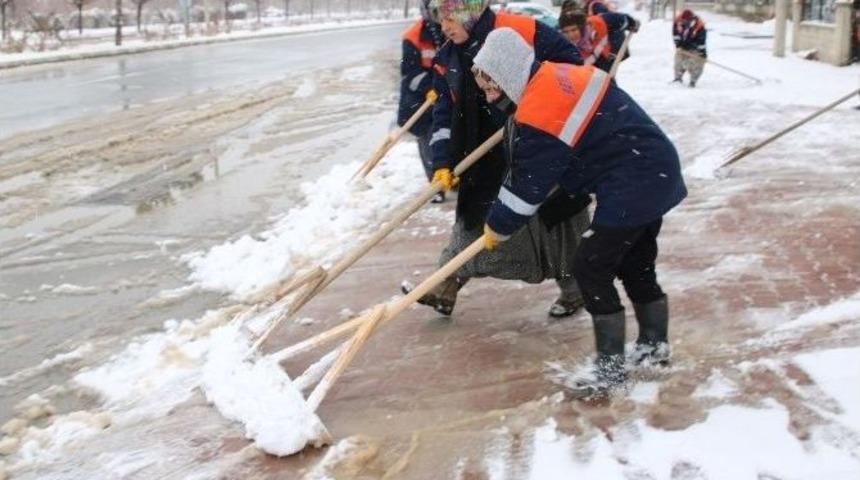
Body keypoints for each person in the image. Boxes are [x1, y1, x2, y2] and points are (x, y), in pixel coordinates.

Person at [472, 28, 687, 397]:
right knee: (635, 262)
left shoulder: (539, 108)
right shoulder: (554, 76)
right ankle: (654, 347)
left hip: (634, 181)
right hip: (653, 167)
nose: (490, 98)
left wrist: (497, 226)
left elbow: (527, 186)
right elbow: (580, 148)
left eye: (493, 88)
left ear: (509, 76)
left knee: (590, 265)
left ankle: (610, 370)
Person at [408, 0, 591, 318]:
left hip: (537, 139)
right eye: (441, 18)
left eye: (451, 18)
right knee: (474, 217)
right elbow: (444, 115)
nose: (444, 26)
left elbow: (571, 68)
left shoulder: (519, 30)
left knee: (557, 219)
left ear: (470, 13)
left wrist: (535, 104)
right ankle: (445, 284)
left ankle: (575, 289)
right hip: (481, 150)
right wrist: (441, 163)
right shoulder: (448, 57)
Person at [398, 0, 446, 202]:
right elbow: (410, 74)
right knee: (428, 142)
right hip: (419, 102)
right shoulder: (413, 37)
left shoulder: (449, 29)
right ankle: (436, 187)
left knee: (447, 138)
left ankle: (450, 175)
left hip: (445, 97)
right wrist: (432, 86)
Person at [557, 10, 639, 72]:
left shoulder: (598, 23)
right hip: (593, 60)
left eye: (574, 30)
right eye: (566, 32)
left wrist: (632, 23)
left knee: (607, 82)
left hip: (609, 52)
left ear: (581, 27)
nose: (570, 35)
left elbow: (621, 19)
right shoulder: (562, 42)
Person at [672, 9, 707, 87]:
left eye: (687, 21)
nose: (685, 22)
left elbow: (701, 41)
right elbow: (675, 35)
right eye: (683, 20)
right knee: (678, 61)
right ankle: (678, 78)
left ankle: (693, 81)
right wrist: (678, 44)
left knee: (698, 63)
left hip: (694, 47)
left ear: (691, 19)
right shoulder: (677, 22)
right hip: (682, 46)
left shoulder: (699, 26)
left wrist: (702, 53)